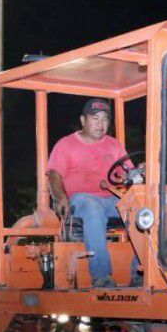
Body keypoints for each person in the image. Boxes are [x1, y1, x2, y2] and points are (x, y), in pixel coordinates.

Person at [47, 98, 139, 288]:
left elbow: (129, 174)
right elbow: (54, 176)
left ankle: (140, 271)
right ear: (83, 120)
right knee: (93, 208)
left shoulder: (114, 146)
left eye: (105, 119)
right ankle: (101, 276)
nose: (101, 124)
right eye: (95, 119)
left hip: (111, 198)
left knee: (142, 210)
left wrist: (139, 173)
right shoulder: (66, 145)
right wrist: (60, 197)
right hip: (80, 200)